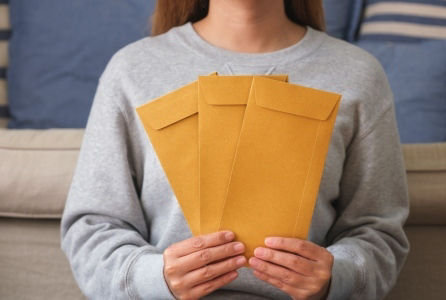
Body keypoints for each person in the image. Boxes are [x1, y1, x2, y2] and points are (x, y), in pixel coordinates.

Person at [60, 0, 409, 299]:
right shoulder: (131, 70)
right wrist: (155, 277)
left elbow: (379, 231)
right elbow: (91, 228)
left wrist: (337, 276)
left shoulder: (358, 74)